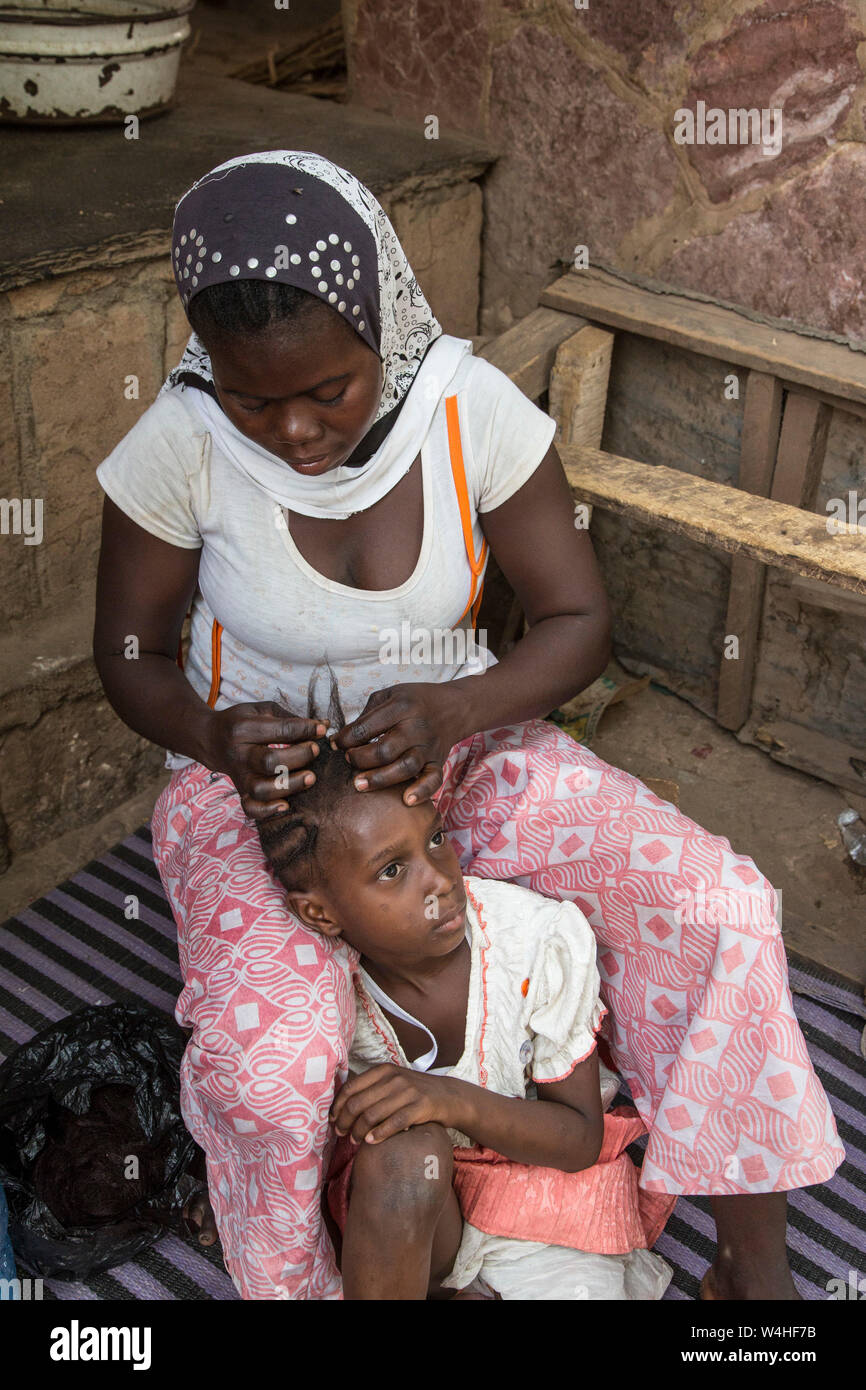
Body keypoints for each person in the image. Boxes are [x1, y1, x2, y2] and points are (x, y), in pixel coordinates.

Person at [93, 149, 844, 1301]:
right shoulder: (180, 440)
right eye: (255, 398)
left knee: (711, 903)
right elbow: (130, 654)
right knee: (265, 1068)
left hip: (465, 748)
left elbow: (577, 619)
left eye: (326, 391)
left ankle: (751, 1270)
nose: (292, 430)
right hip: (257, 793)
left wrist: (456, 707)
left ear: (380, 330)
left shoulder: (467, 408)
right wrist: (211, 735)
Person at [255, 676, 676, 1301]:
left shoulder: (533, 942)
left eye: (435, 840)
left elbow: (581, 1139)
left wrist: (447, 1098)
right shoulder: (322, 995)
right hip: (420, 1222)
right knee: (405, 1153)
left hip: (546, 1205)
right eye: (393, 870)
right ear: (321, 914)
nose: (439, 881)